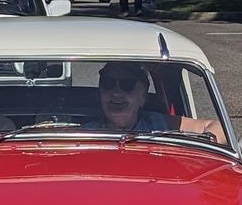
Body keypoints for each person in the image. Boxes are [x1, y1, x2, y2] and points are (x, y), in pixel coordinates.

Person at [87, 61, 226, 144]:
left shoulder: (158, 124)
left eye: (127, 85)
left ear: (142, 95)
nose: (116, 93)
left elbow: (216, 127)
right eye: (108, 83)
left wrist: (200, 147)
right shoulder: (84, 133)